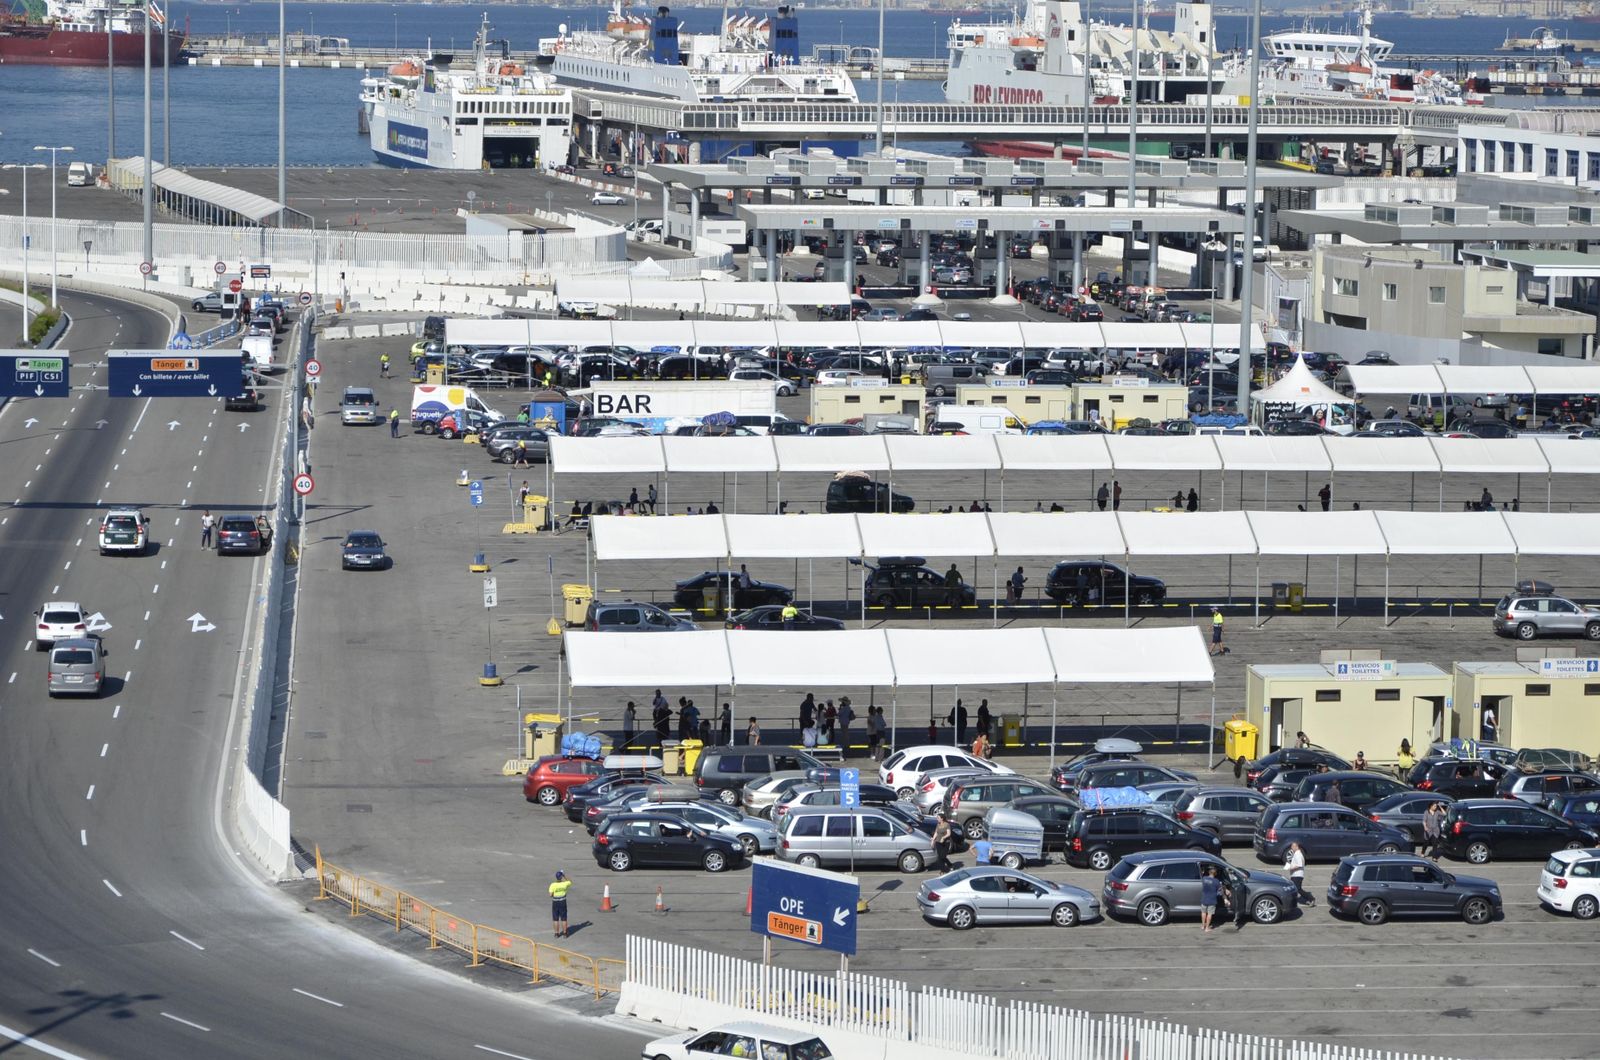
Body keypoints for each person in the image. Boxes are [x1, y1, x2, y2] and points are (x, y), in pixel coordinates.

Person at [548, 870, 572, 938]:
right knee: (564, 918)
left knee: (555, 919)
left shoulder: (552, 885)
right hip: (563, 902)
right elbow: (569, 881)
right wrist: (564, 875)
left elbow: (550, 895)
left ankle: (556, 933)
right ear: (561, 877)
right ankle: (564, 933)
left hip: (555, 902)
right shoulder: (565, 884)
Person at [1200, 867, 1221, 934]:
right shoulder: (1216, 881)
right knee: (1209, 914)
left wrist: (1202, 872)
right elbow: (1220, 890)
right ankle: (1207, 928)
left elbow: (1202, 876)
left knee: (1203, 912)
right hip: (1212, 900)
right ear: (1215, 874)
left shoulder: (1204, 878)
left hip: (1204, 899)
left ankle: (1203, 926)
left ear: (1209, 872)